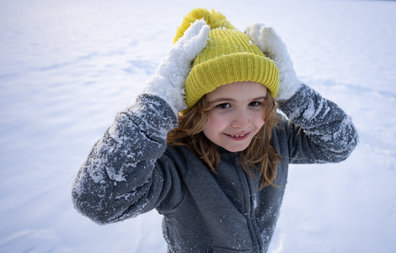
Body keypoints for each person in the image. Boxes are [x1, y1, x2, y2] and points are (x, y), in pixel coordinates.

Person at [72, 8, 358, 253]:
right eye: (223, 105)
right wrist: (157, 101)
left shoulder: (274, 137)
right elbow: (97, 200)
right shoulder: (174, 163)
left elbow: (341, 143)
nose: (243, 122)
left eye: (256, 103)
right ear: (195, 109)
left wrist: (295, 94)